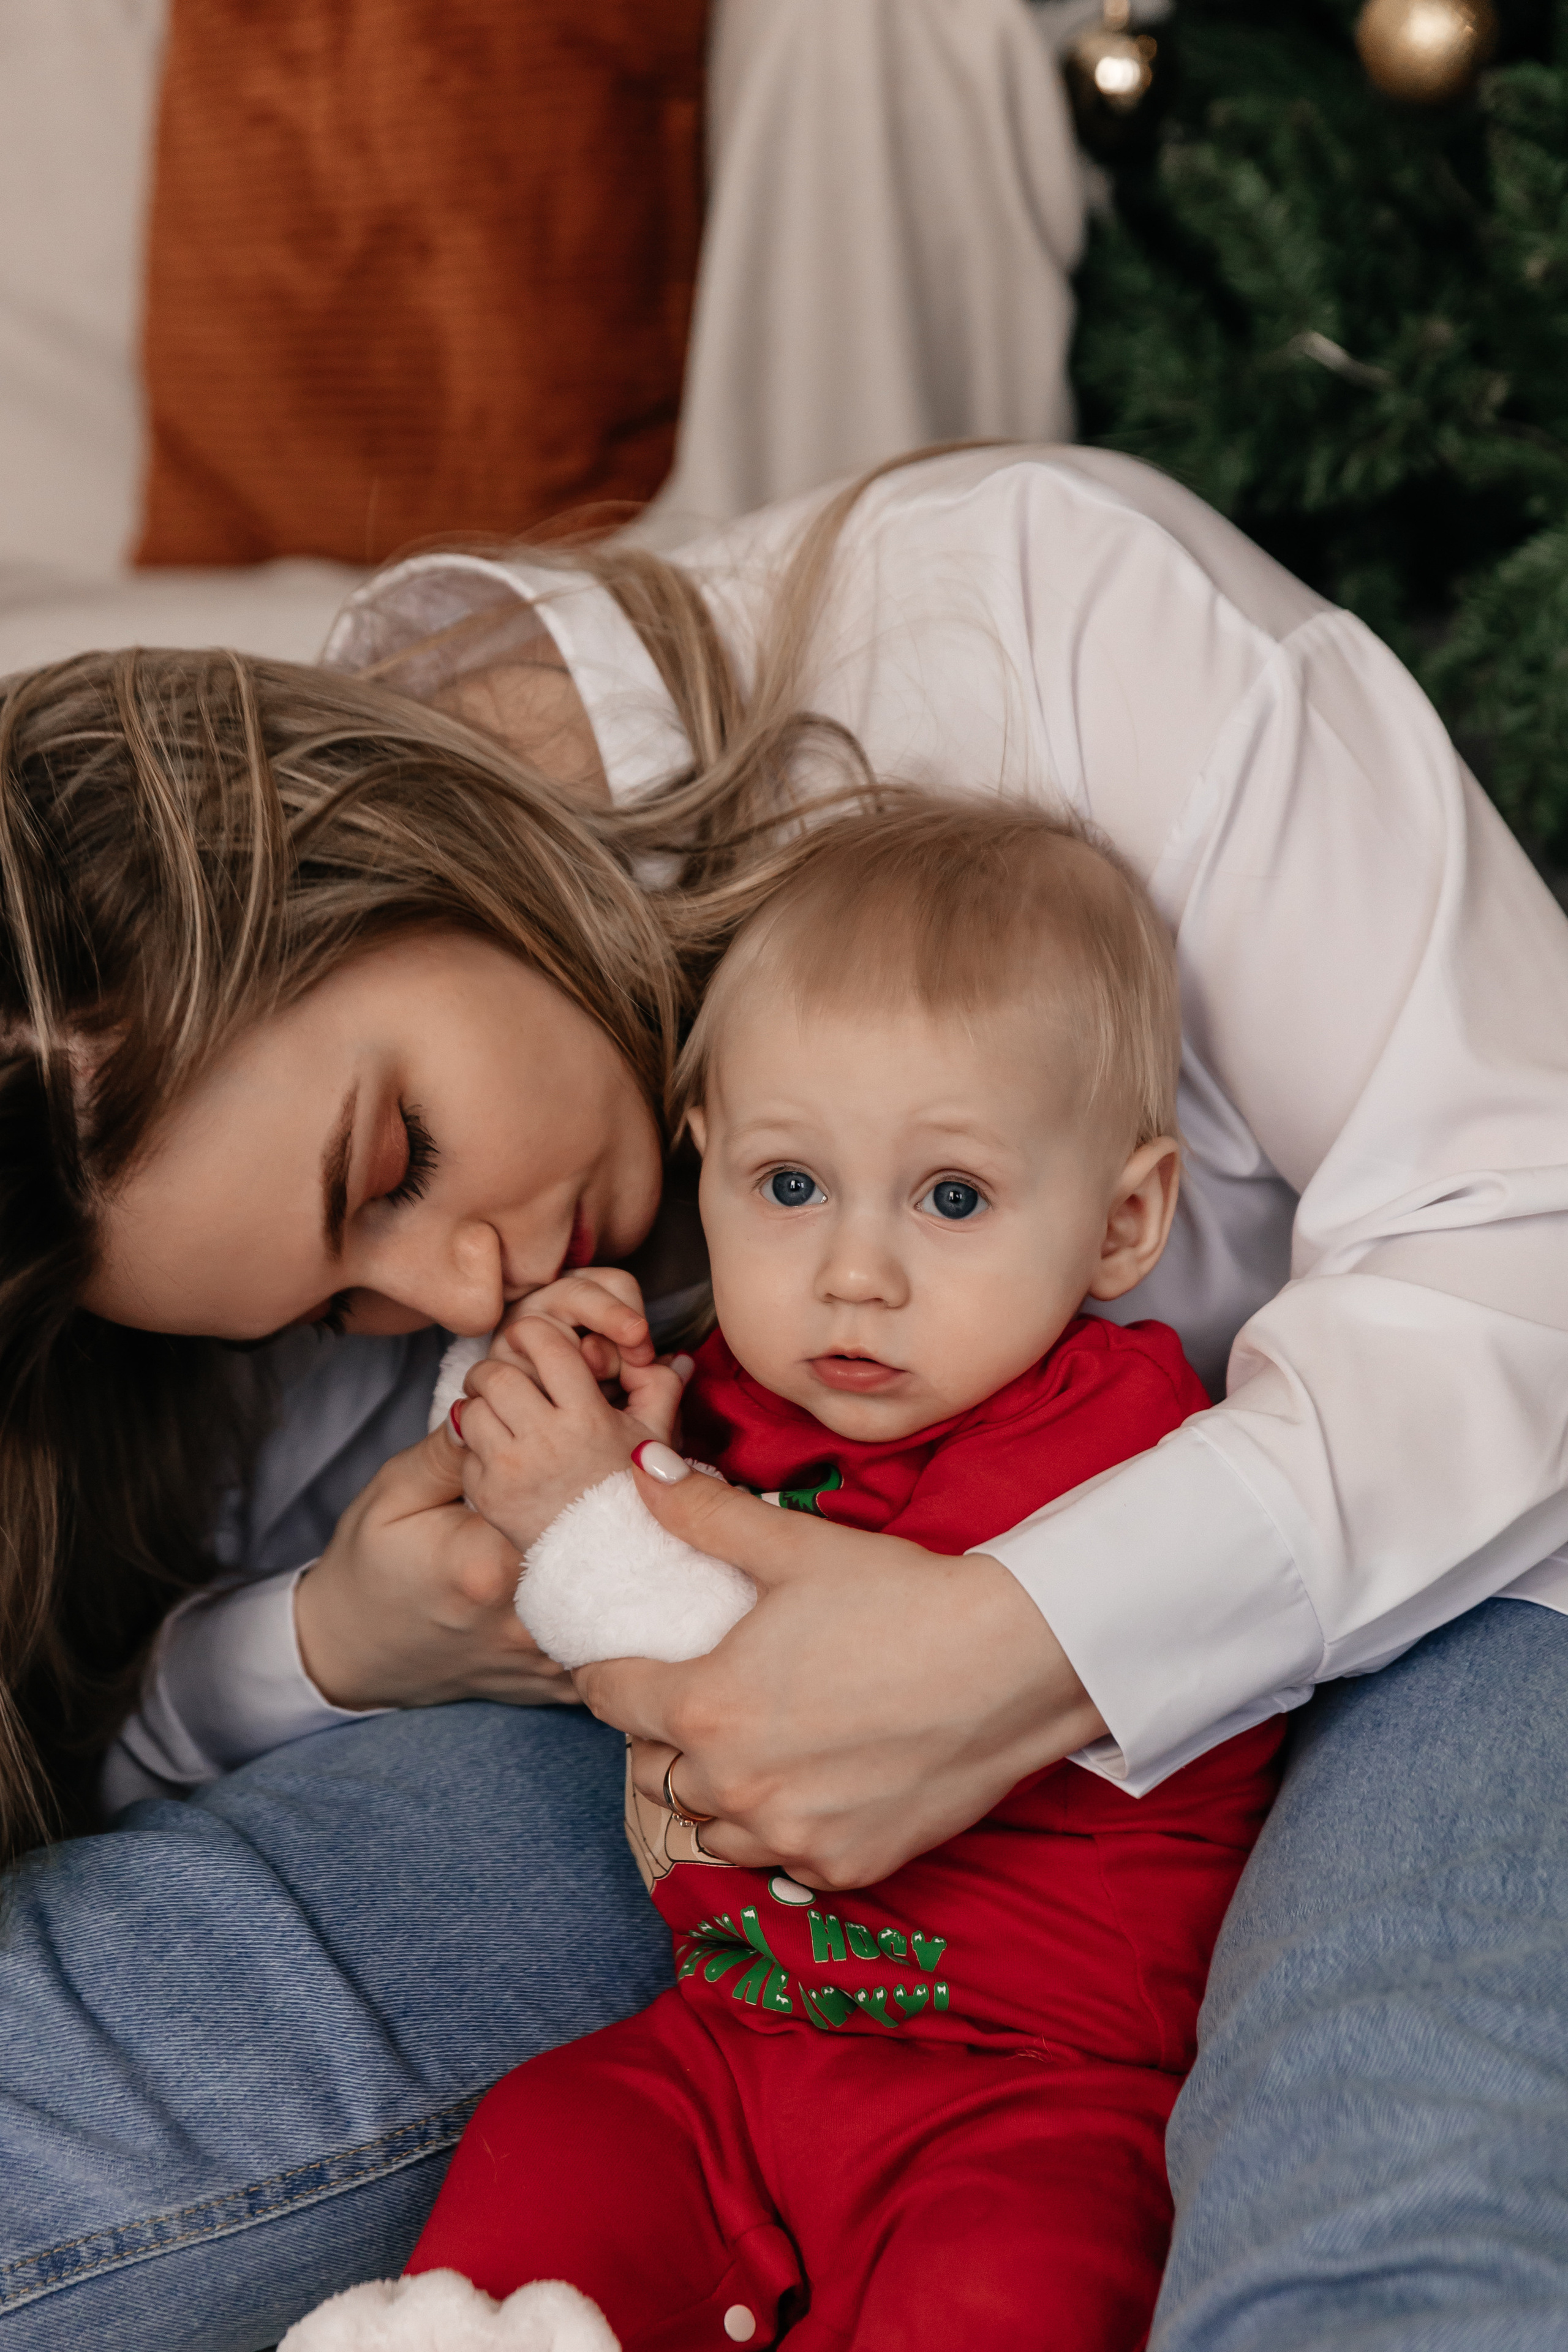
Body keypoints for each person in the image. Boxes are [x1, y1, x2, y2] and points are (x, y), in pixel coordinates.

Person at [1, 446, 1566, 2352]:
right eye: (333, 1309)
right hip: (763, 1888)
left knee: (1382, 2234)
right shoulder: (355, 1259)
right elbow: (119, 1711)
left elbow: (1529, 1214)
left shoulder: (1023, 615)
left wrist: (1029, 1638)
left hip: (1491, 1579)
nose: (451, 1288)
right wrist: (336, 1643)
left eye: (398, 1157)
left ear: (403, 841)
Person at [382, 795, 1285, 2351]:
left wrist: (586, 1515)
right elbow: (584, 1528)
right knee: (550, 2144)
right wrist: (570, 1409)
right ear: (707, 1164)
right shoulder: (732, 1388)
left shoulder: (1118, 1439)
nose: (852, 1275)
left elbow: (725, 1660)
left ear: (1121, 1219)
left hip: (1029, 2089)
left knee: (1012, 2283)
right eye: (788, 1188)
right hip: (732, 2038)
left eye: (950, 1199)